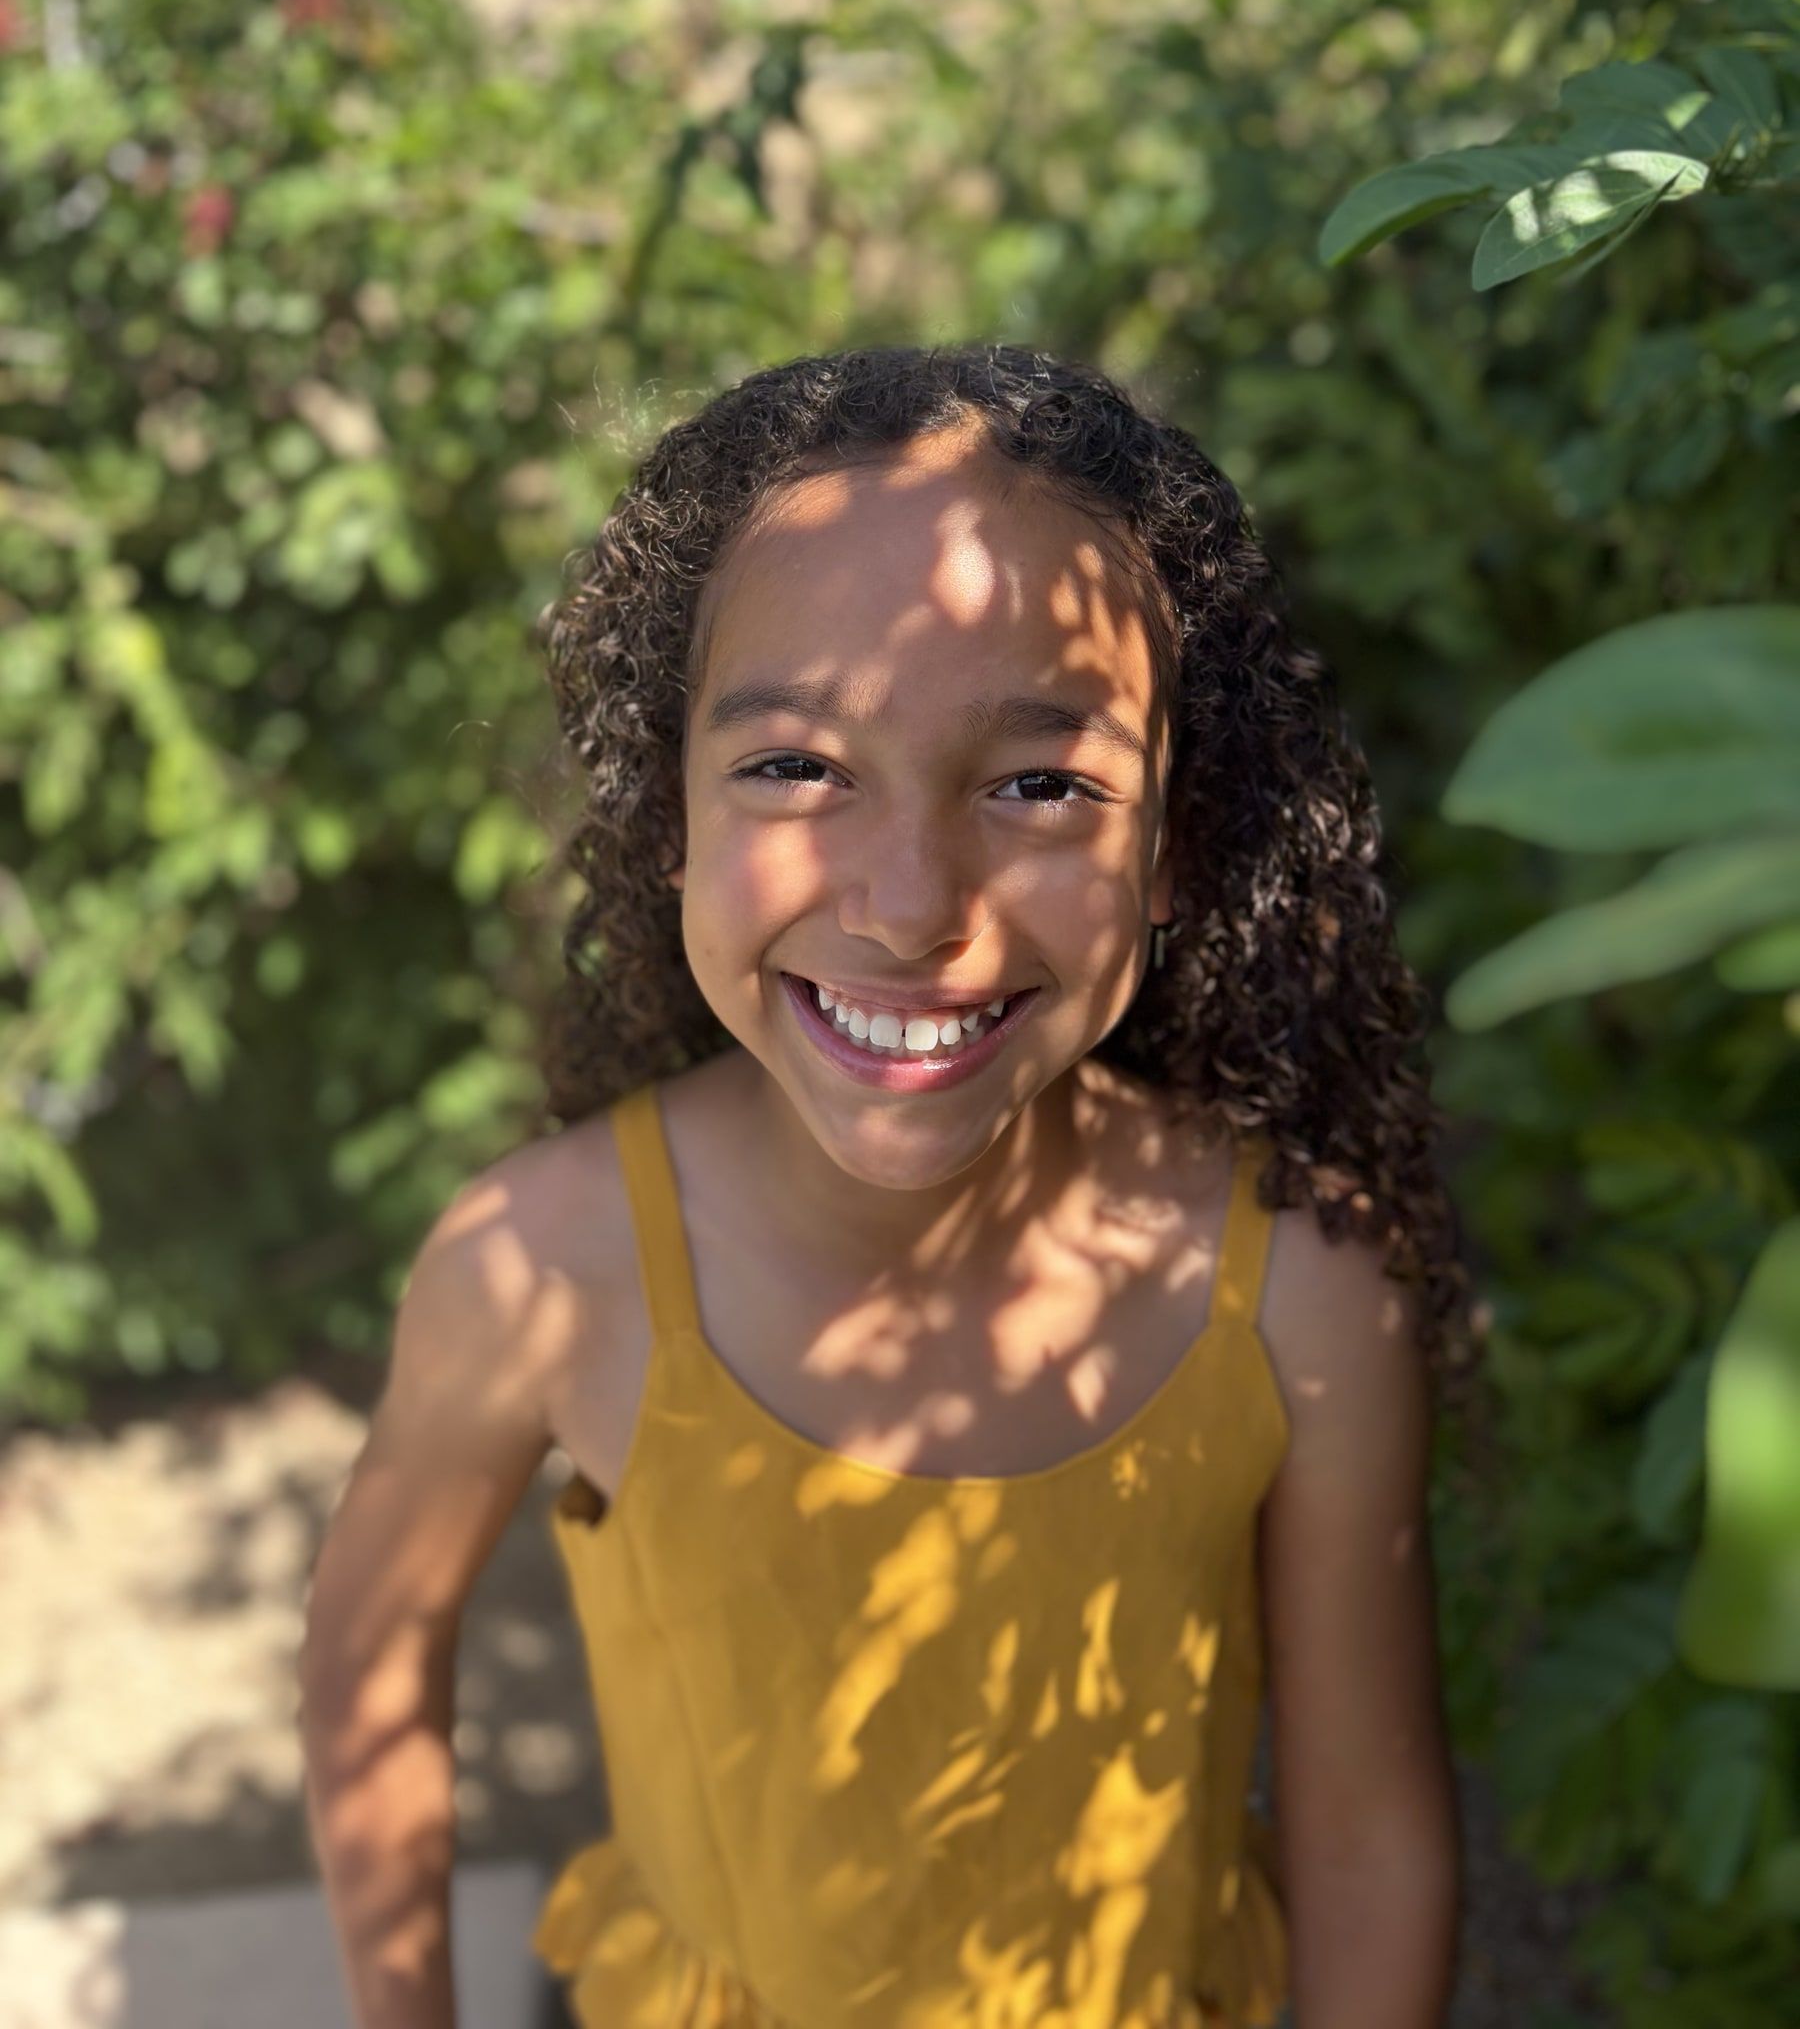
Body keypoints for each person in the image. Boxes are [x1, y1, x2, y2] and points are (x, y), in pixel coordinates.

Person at [300, 345, 1482, 2029]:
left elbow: (1369, 1838)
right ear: (671, 815)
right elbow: (370, 1658)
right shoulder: (544, 1269)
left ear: (1174, 850)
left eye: (1041, 784)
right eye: (797, 766)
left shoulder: (1300, 1296)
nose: (915, 904)